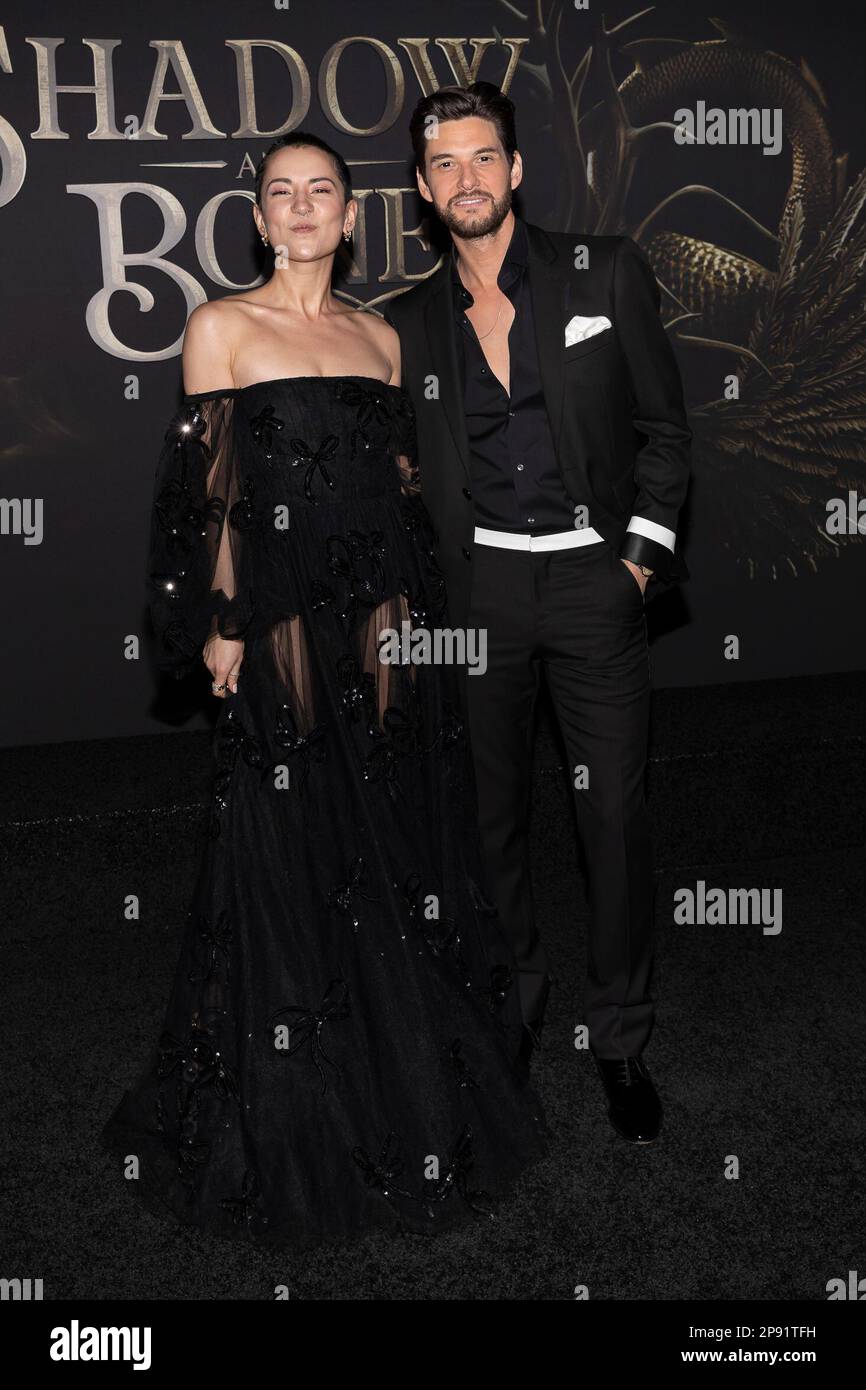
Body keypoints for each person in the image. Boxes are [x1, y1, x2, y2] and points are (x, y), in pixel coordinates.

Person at [100, 131, 549, 1251]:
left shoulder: (381, 337)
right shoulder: (219, 327)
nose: (300, 209)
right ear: (259, 220)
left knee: (390, 848)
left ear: (352, 219)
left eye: (321, 193)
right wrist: (218, 619)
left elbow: (400, 487)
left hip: (387, 615)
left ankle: (400, 1083)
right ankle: (297, 1098)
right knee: (289, 844)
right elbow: (211, 492)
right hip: (283, 615)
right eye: (279, 194)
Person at [383, 83, 692, 1144]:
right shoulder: (406, 324)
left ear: (514, 170)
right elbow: (395, 479)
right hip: (476, 601)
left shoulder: (601, 270)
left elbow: (663, 429)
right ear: (422, 191)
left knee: (610, 816)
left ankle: (618, 1042)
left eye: (482, 158)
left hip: (591, 584)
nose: (464, 178)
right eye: (443, 166)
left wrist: (637, 566)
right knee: (487, 824)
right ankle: (508, 1018)